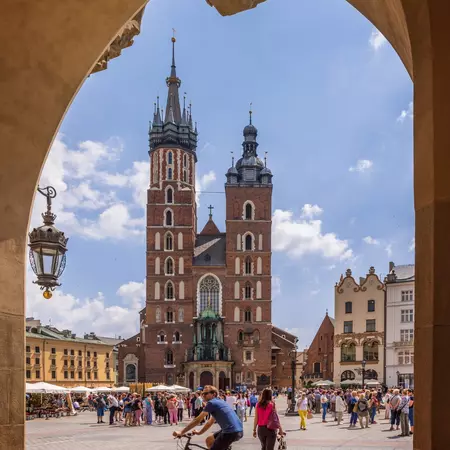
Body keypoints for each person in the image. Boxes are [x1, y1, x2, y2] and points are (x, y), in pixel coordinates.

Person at [173, 385, 243, 450]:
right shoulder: (220, 401)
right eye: (202, 394)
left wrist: (181, 432)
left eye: (206, 394)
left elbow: (197, 420)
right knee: (209, 440)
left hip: (230, 432)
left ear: (214, 394)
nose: (203, 396)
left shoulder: (212, 403)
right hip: (237, 430)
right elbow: (210, 422)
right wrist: (199, 432)